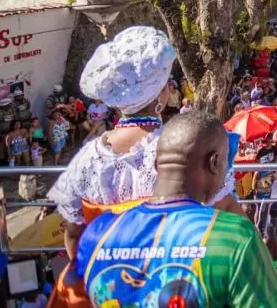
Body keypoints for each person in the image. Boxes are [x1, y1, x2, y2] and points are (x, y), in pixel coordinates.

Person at [47, 26, 238, 307]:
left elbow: (74, 235)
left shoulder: (87, 159)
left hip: (113, 293)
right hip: (181, 289)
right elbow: (230, 218)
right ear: (160, 96)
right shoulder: (187, 149)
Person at [76, 111, 277, 308]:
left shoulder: (97, 234)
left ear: (157, 164)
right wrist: (276, 262)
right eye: (226, 163)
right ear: (214, 162)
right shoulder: (234, 236)